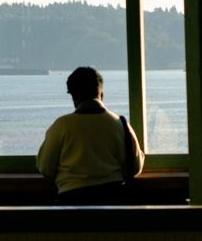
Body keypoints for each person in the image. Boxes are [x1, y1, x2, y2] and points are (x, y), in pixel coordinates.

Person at [37, 66, 145, 202]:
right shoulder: (120, 124)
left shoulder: (61, 125)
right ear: (101, 94)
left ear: (73, 96)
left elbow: (45, 168)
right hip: (113, 199)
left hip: (71, 200)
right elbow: (135, 167)